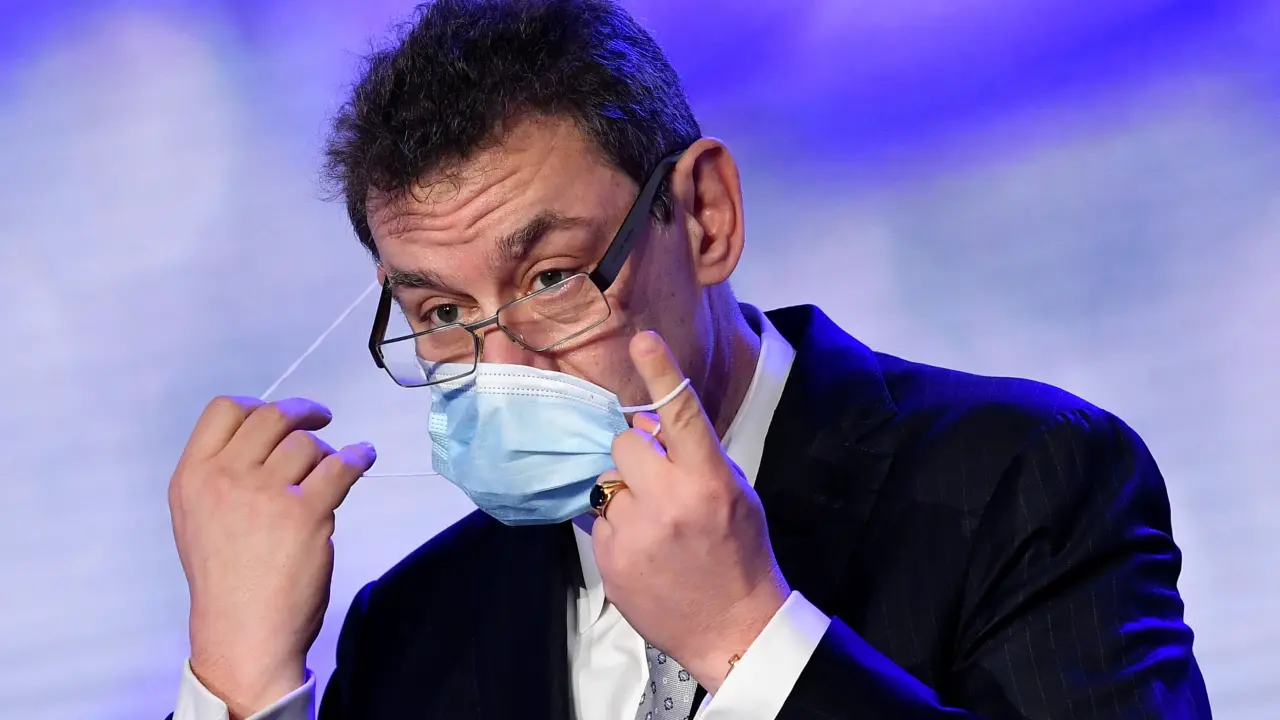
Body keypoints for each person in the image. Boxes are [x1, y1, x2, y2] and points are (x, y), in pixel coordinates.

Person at [166, 1, 1212, 718]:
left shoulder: (1025, 480)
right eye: (441, 311)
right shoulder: (413, 626)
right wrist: (240, 679)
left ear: (705, 215)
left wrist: (749, 639)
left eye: (550, 277)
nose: (504, 366)